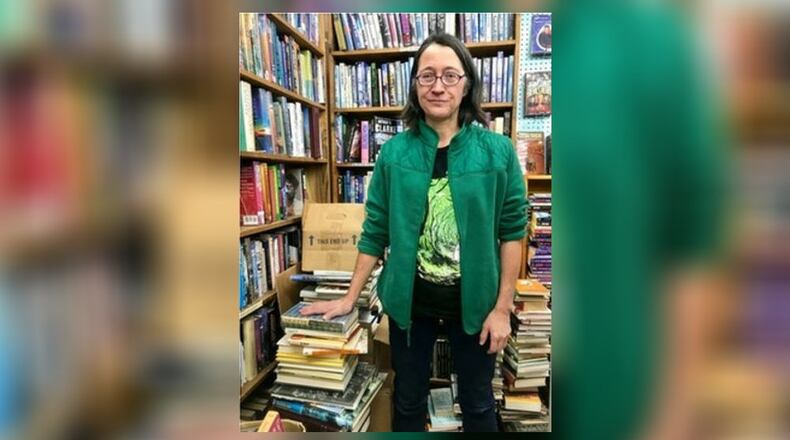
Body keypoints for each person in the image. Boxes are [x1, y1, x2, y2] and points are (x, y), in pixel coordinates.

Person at [300, 32, 527, 432]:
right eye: (427, 76)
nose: (438, 86)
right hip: (410, 305)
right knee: (406, 400)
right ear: (415, 85)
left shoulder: (498, 151)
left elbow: (512, 231)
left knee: (477, 404)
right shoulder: (394, 153)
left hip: (476, 304)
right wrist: (350, 297)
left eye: (450, 75)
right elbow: (374, 230)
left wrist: (502, 309)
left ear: (467, 83)